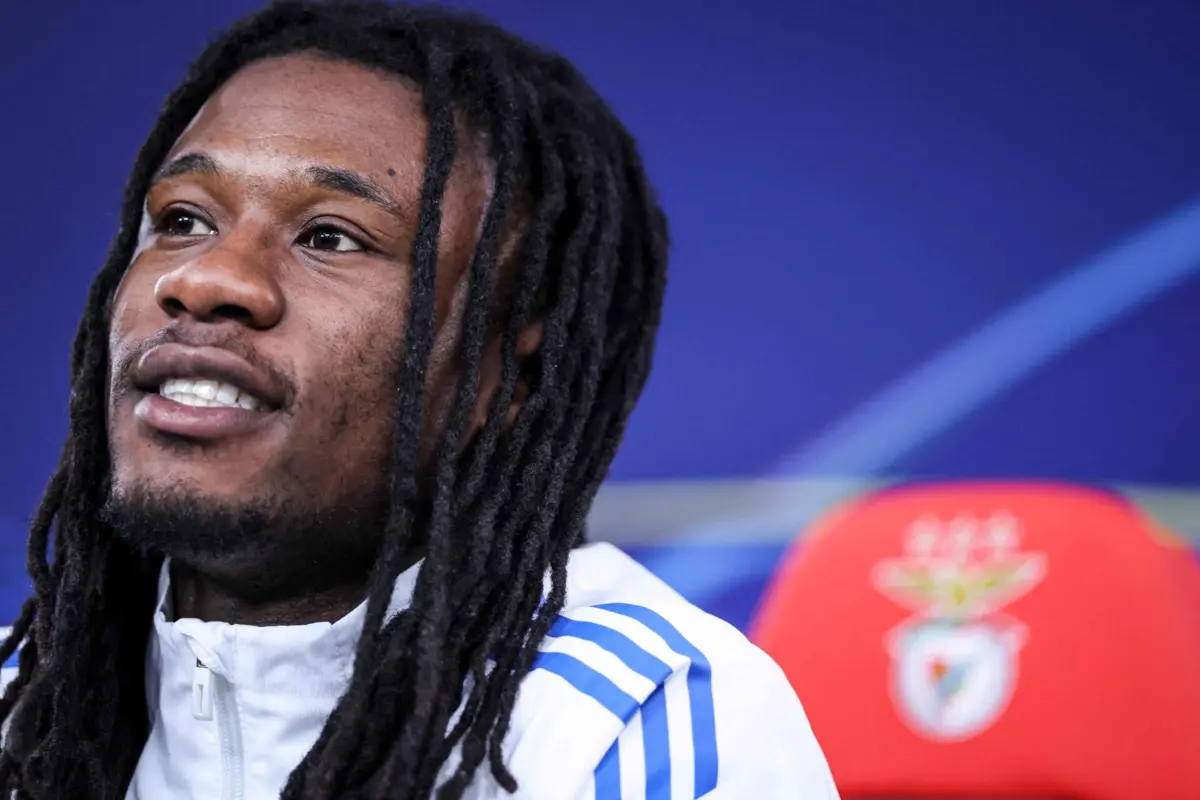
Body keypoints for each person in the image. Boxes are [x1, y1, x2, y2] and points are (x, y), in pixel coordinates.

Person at [0, 2, 839, 798]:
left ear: (506, 375)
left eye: (330, 237)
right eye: (182, 219)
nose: (207, 278)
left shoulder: (626, 721)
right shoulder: (21, 710)